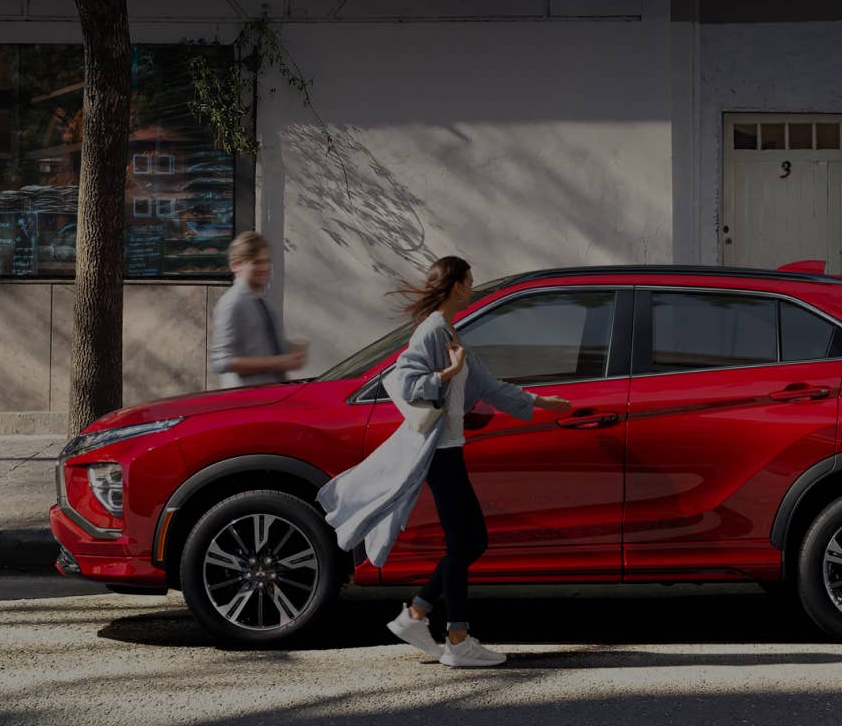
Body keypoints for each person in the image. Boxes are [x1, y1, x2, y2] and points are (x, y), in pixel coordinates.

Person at [317, 257, 573, 667]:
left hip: (449, 450)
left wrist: (541, 402)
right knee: (467, 541)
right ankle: (456, 639)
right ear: (455, 285)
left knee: (469, 540)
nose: (472, 286)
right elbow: (405, 380)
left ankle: (418, 615)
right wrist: (446, 374)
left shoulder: (449, 329)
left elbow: (487, 385)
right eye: (469, 280)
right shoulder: (432, 331)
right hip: (438, 453)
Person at [209, 232, 305, 388]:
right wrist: (276, 362)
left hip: (271, 397)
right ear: (236, 266)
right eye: (256, 262)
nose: (264, 267)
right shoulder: (232, 303)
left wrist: (289, 356)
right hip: (245, 401)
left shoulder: (265, 301)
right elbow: (221, 361)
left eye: (266, 261)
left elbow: (263, 349)